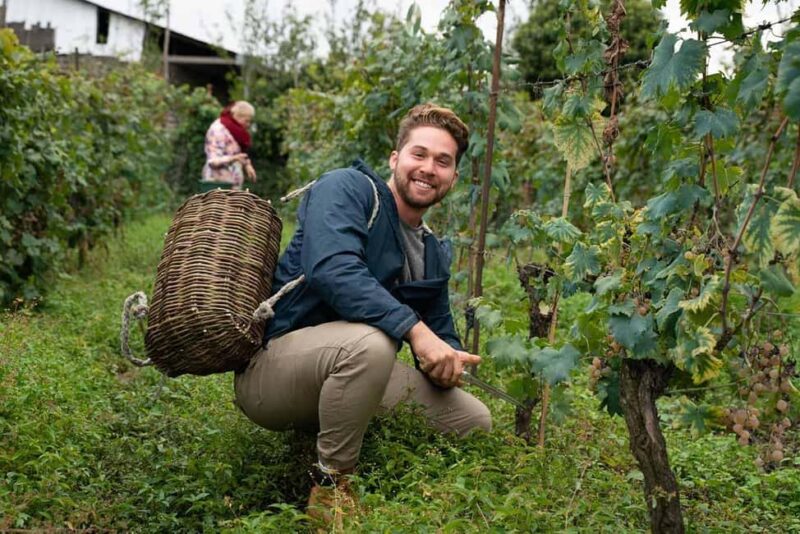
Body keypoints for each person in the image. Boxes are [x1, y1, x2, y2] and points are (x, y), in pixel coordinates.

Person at [234, 103, 491, 525]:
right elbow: (331, 269)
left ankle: (334, 429)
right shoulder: (348, 188)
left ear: (454, 178)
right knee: (371, 345)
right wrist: (413, 330)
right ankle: (333, 488)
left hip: (355, 365)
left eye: (443, 162)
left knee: (473, 419)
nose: (428, 168)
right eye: (419, 154)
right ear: (395, 159)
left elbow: (441, 336)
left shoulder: (432, 252)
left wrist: (446, 362)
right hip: (273, 371)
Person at [201, 101, 257, 189]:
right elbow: (212, 161)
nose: (248, 125)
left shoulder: (236, 132)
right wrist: (233, 159)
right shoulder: (218, 130)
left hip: (232, 187)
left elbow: (238, 153)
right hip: (217, 185)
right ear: (237, 116)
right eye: (246, 121)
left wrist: (247, 164)